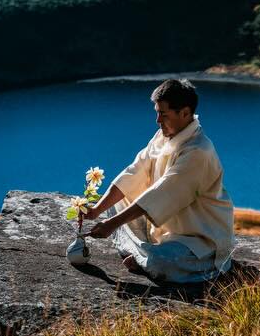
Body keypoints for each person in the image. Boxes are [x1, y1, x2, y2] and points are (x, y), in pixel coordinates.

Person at [79, 77, 235, 284]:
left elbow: (161, 192)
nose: (158, 120)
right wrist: (97, 210)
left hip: (199, 240)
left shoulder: (199, 151)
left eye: (163, 114)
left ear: (185, 113)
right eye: (157, 113)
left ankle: (146, 258)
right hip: (163, 230)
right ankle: (145, 256)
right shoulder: (163, 136)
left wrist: (112, 225)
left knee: (162, 261)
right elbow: (135, 172)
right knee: (114, 205)